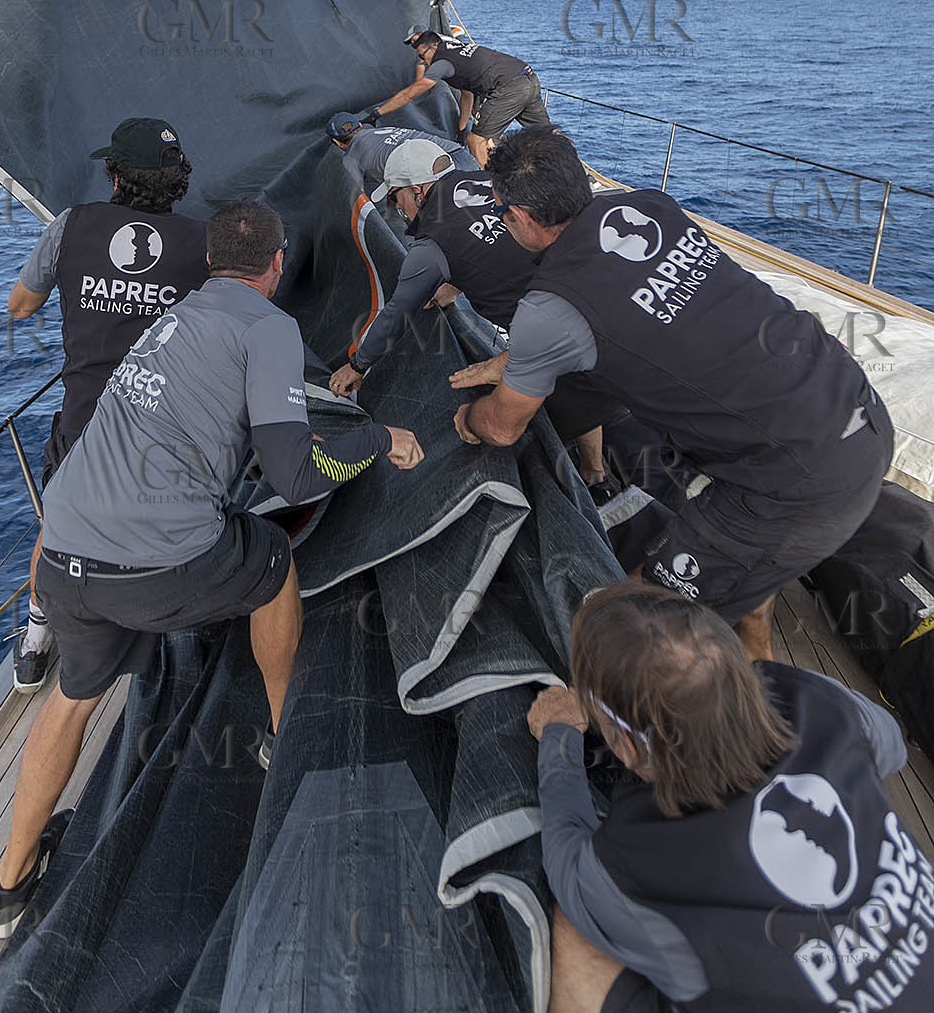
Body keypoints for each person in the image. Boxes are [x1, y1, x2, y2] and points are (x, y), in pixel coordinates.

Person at [0, 200, 424, 937]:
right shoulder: (269, 329)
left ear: (211, 261)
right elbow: (293, 474)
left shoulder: (174, 316)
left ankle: (10, 884)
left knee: (73, 700)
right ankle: (283, 734)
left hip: (61, 554)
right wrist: (379, 439)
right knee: (272, 561)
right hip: (151, 570)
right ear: (276, 264)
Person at [453, 127, 893, 659]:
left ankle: (590, 699)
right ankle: (759, 663)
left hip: (793, 481)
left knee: (634, 618)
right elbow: (663, 320)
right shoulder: (651, 207)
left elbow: (502, 428)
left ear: (523, 217)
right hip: (853, 403)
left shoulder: (549, 307)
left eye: (502, 211)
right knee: (750, 576)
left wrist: (466, 420)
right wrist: (521, 360)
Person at [528, 582, 934, 1013]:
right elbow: (888, 742)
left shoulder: (638, 864)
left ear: (627, 745)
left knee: (567, 943)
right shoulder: (818, 704)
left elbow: (567, 864)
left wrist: (559, 736)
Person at [7, 117, 208, 692]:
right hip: (164, 422)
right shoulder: (205, 243)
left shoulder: (70, 226)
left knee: (59, 523)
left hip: (85, 418)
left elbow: (20, 306)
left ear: (115, 176)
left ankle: (37, 637)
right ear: (176, 178)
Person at [328, 140, 621, 499]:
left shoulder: (430, 247)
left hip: (548, 336)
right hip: (598, 312)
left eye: (395, 197)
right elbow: (486, 242)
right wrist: (453, 283)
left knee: (536, 418)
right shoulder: (485, 180)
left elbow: (396, 314)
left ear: (417, 191)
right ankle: (595, 472)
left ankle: (561, 489)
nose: (396, 208)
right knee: (589, 389)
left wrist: (357, 366)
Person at [364, 27, 551, 167]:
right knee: (547, 136)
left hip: (508, 87)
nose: (422, 61)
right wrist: (461, 131)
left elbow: (409, 94)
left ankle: (491, 192)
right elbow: (467, 94)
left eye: (422, 56)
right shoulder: (453, 47)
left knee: (476, 141)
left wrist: (377, 113)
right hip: (528, 77)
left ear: (433, 47)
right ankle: (568, 173)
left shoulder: (441, 63)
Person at [326, 111, 477, 189]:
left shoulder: (350, 158)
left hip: (440, 173)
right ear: (360, 125)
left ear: (337, 143)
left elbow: (358, 198)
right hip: (461, 155)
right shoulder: (381, 131)